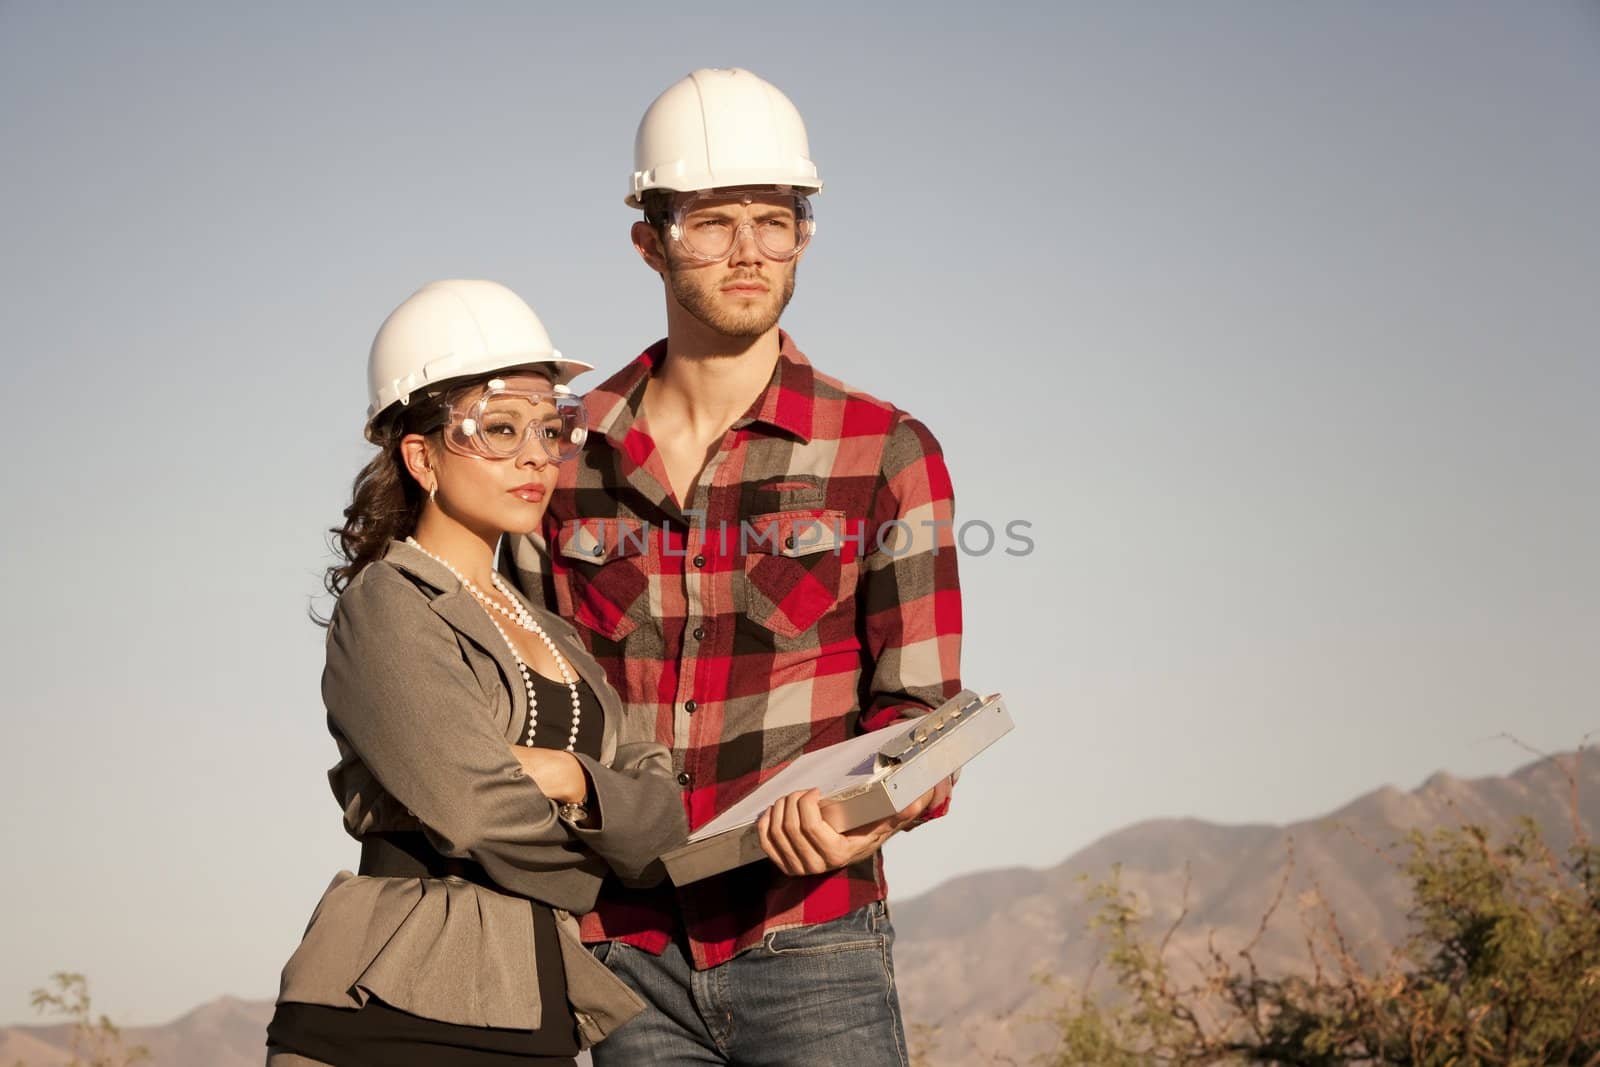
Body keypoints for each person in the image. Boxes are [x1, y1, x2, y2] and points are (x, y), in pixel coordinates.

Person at [501, 68, 963, 1065]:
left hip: (813, 936)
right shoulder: (556, 454)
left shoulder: (885, 449)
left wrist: (860, 817)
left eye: (777, 219)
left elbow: (924, 712)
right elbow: (528, 704)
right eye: (714, 222)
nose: (749, 250)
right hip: (622, 952)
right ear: (649, 240)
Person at [264, 279, 688, 1067]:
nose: (535, 455)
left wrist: (568, 774)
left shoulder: (553, 630)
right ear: (421, 455)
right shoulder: (387, 602)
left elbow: (664, 812)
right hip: (393, 1006)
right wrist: (611, 857)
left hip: (535, 1001)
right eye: (498, 429)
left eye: (549, 427)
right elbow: (473, 813)